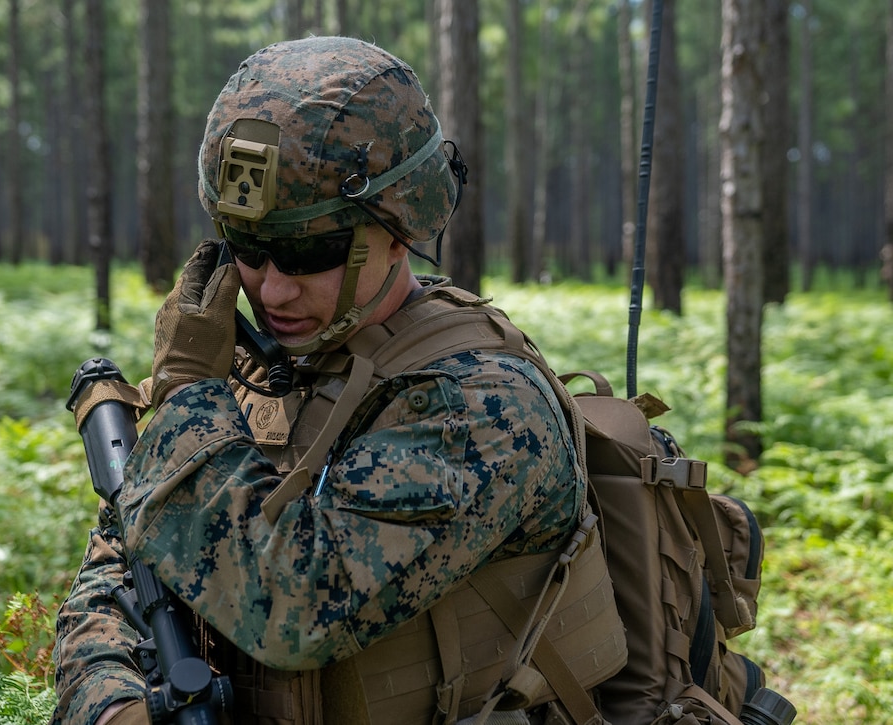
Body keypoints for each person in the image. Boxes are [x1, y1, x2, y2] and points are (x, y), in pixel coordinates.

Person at [52, 36, 622, 725]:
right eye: (247, 249)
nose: (272, 288)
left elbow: (294, 603)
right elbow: (113, 574)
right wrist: (112, 704)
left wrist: (184, 397)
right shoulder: (245, 378)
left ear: (401, 227)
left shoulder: (478, 402)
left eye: (308, 252)